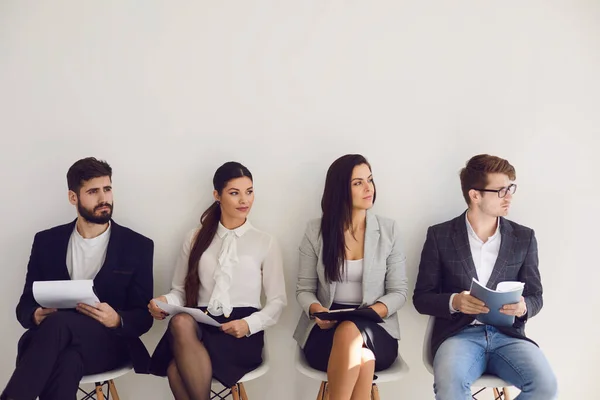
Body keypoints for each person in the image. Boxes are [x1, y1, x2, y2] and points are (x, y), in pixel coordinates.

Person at [1, 157, 154, 400]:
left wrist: (117, 319)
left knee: (58, 325)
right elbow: (25, 305)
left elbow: (144, 317)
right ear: (73, 197)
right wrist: (35, 314)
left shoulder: (137, 246)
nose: (104, 198)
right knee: (67, 359)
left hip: (109, 344)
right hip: (59, 346)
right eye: (93, 191)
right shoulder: (47, 242)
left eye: (107, 189)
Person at [413, 154, 558, 399]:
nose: (509, 196)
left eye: (510, 188)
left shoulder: (523, 238)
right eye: (501, 190)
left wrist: (524, 307)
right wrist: (454, 301)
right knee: (450, 387)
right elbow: (421, 298)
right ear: (475, 195)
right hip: (458, 336)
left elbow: (536, 296)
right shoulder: (440, 236)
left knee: (546, 386)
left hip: (508, 338)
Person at [148, 161, 286, 400]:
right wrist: (163, 301)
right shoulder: (194, 238)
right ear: (217, 195)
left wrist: (248, 324)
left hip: (242, 333)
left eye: (249, 192)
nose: (245, 200)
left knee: (175, 370)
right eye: (235, 193)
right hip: (201, 328)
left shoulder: (265, 242)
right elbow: (180, 291)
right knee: (180, 321)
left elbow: (278, 301)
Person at [293, 154, 408, 400]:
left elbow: (399, 291)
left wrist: (376, 310)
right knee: (363, 358)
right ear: (340, 189)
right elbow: (304, 289)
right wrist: (316, 310)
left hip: (377, 327)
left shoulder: (388, 230)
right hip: (326, 330)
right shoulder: (316, 231)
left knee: (351, 331)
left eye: (370, 179)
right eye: (358, 183)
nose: (369, 188)